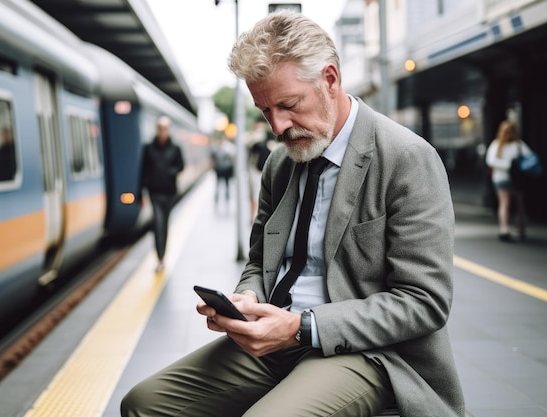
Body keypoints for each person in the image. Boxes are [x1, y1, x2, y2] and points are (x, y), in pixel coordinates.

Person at [122, 11, 464, 417]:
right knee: (144, 404)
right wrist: (247, 298)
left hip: (370, 353)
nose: (278, 126)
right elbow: (258, 261)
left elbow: (423, 301)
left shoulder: (407, 158)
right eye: (265, 111)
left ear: (330, 80)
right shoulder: (280, 164)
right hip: (275, 339)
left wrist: (303, 326)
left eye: (288, 105)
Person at [141, 116, 185, 272]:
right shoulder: (148, 148)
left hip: (170, 193)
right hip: (155, 192)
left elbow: (181, 165)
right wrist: (140, 191)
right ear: (157, 129)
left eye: (165, 128)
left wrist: (169, 173)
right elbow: (143, 170)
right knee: (159, 224)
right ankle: (160, 258)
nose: (162, 131)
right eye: (160, 128)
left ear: (169, 129)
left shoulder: (175, 148)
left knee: (164, 224)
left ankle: (162, 255)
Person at [485, 119, 531, 241]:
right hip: (517, 179)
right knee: (520, 204)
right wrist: (514, 165)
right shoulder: (519, 144)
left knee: (504, 203)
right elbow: (530, 158)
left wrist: (505, 165)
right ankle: (521, 229)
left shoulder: (496, 144)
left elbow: (490, 161)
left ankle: (504, 229)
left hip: (500, 178)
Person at [247, 119, 275, 220]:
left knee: (260, 195)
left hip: (264, 171)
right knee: (253, 195)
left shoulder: (270, 138)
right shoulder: (253, 140)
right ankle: (253, 217)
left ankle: (256, 217)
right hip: (254, 170)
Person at [211, 134, 236, 205]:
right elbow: (213, 159)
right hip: (219, 169)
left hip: (226, 169)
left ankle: (226, 197)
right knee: (218, 184)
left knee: (226, 184)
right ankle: (217, 198)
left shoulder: (227, 148)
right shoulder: (215, 148)